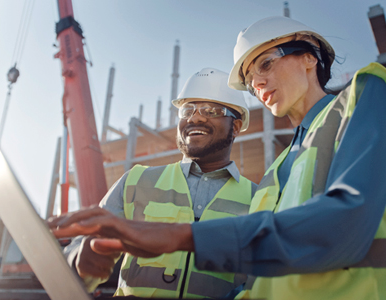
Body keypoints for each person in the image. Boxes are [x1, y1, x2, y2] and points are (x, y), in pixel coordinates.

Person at [50, 16, 386, 300]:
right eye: (251, 79)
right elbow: (258, 282)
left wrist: (179, 235)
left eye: (266, 63)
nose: (259, 83)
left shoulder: (365, 97)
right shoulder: (275, 175)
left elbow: (344, 226)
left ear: (308, 55)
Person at [62, 67, 257, 299]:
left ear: (235, 127)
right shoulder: (137, 181)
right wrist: (80, 261)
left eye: (211, 110)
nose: (195, 117)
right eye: (187, 110)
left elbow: (263, 284)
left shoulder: (260, 198)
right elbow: (82, 247)